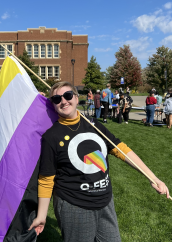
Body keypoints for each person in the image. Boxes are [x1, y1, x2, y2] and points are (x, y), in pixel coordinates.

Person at [29, 81, 169, 242]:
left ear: (76, 98)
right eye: (56, 99)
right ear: (53, 105)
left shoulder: (93, 124)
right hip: (74, 205)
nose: (63, 101)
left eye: (67, 96)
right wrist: (41, 215)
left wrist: (153, 178)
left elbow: (121, 150)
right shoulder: (51, 137)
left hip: (105, 201)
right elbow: (46, 179)